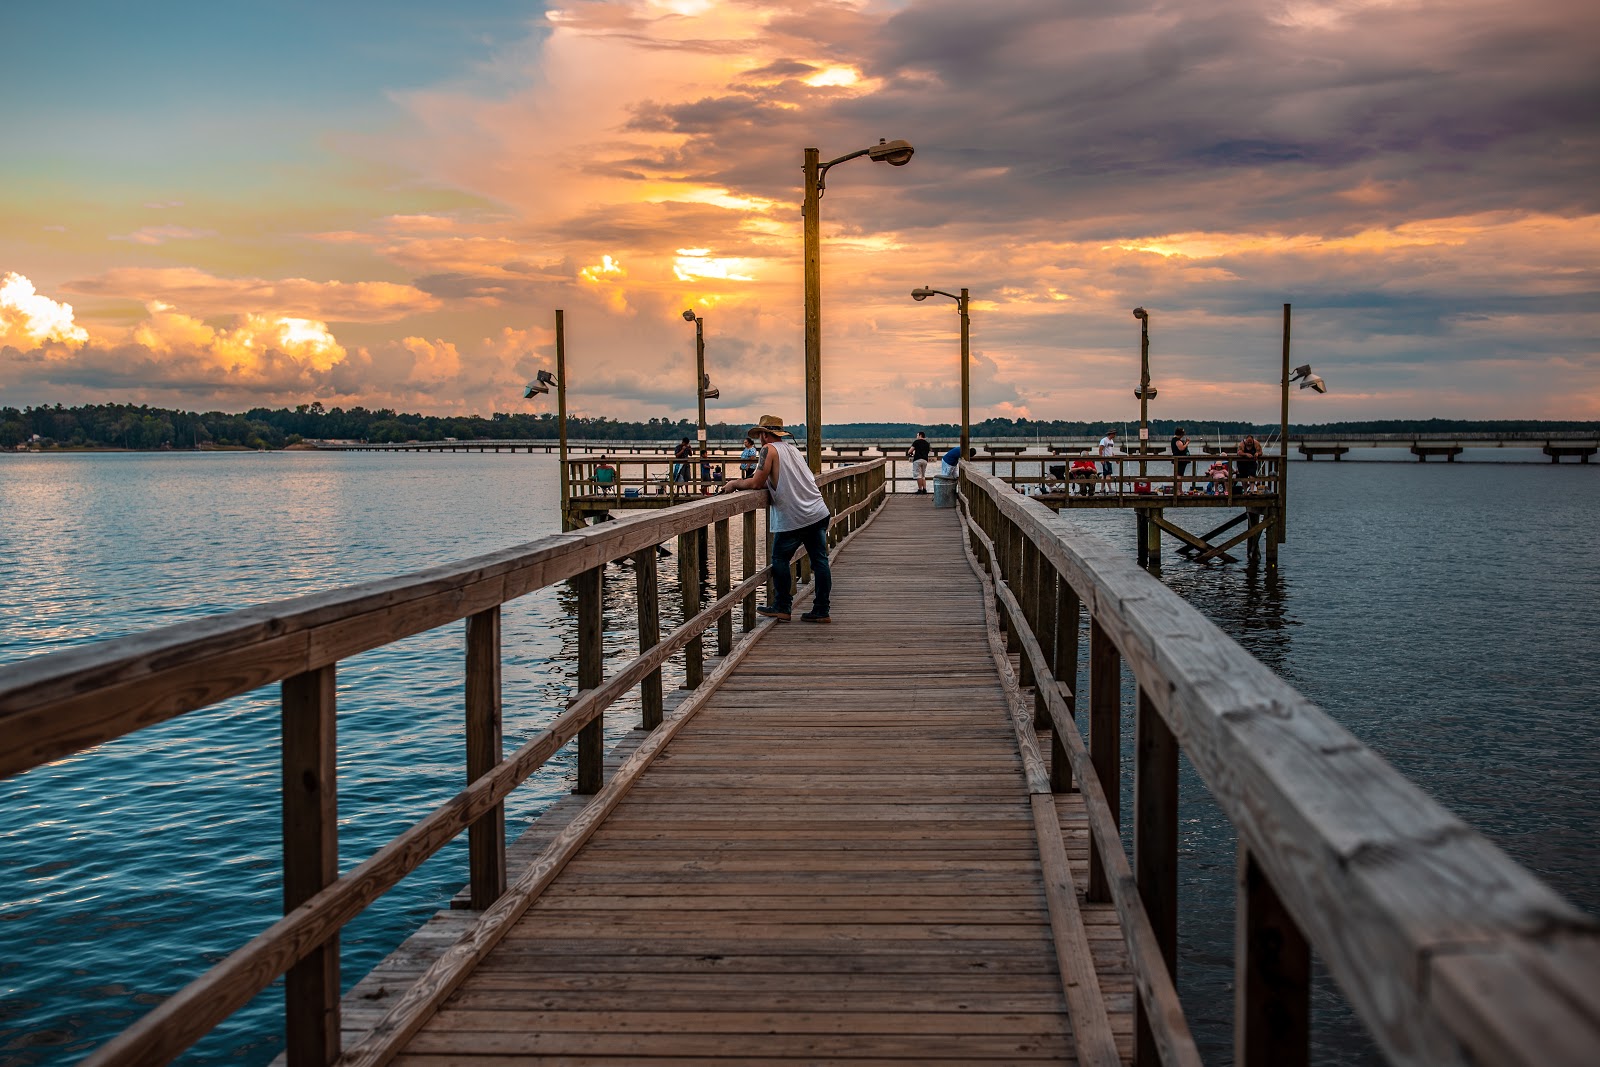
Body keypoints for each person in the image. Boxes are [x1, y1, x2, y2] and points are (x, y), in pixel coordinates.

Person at [724, 414, 832, 624]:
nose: (759, 440)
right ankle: (822, 610)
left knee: (780, 559)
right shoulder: (792, 450)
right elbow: (772, 479)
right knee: (820, 561)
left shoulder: (768, 450)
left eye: (760, 435)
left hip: (796, 516)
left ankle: (782, 606)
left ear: (764, 434)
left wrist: (734, 484)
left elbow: (757, 482)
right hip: (818, 511)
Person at [1170, 426, 1190, 492]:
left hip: (1179, 460)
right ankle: (1179, 491)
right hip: (1180, 460)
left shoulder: (1175, 440)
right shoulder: (1177, 441)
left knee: (1179, 475)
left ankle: (1179, 490)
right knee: (1179, 475)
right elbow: (1181, 448)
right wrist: (1187, 443)